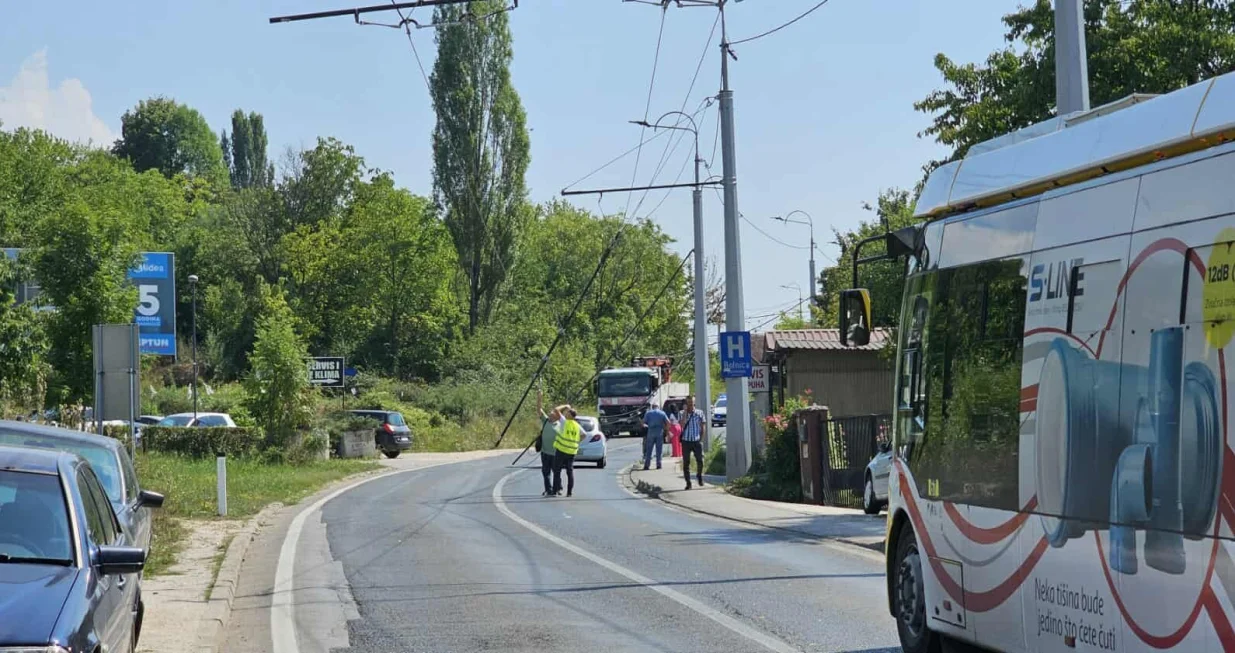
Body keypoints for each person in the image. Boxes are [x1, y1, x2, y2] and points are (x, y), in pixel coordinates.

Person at [535, 389, 564, 497]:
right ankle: (548, 489)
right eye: (550, 413)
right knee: (545, 472)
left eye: (553, 413)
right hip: (545, 451)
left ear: (557, 416)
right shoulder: (546, 420)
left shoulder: (561, 424)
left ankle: (558, 489)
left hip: (556, 453)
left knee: (556, 472)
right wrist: (539, 397)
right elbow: (539, 409)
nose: (550, 413)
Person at [553, 406, 583, 497]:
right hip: (571, 451)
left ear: (570, 415)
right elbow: (584, 435)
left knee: (556, 470)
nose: (566, 413)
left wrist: (565, 405)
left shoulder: (564, 421)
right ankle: (569, 492)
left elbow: (556, 410)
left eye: (567, 412)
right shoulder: (577, 425)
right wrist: (577, 442)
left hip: (562, 450)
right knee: (569, 471)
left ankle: (556, 489)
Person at [679, 395, 707, 490]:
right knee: (686, 463)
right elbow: (681, 425)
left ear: (694, 402)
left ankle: (699, 476)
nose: (690, 404)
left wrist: (701, 438)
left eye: (692, 402)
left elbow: (703, 425)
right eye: (688, 403)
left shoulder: (699, 413)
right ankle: (688, 483)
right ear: (686, 404)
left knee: (700, 460)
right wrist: (685, 414)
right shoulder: (682, 413)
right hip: (686, 441)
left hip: (696, 440)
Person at [641, 403, 669, 470]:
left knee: (649, 450)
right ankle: (658, 464)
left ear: (652, 407)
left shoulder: (648, 413)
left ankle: (647, 465)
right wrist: (666, 430)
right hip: (659, 432)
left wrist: (646, 426)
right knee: (659, 450)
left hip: (651, 432)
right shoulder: (662, 413)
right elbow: (668, 422)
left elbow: (643, 422)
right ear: (658, 407)